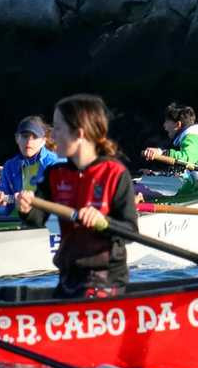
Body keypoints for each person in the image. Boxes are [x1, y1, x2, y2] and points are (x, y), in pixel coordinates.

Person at [16, 95, 141, 299]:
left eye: (58, 128)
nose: (52, 137)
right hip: (68, 275)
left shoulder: (115, 173)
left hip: (106, 277)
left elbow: (130, 231)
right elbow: (38, 218)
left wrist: (104, 222)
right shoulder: (55, 174)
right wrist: (26, 208)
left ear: (79, 133)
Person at [142, 103, 198, 194]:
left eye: (167, 121)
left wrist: (161, 153)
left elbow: (185, 160)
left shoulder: (192, 139)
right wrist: (154, 174)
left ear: (178, 124)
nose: (164, 126)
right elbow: (187, 176)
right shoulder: (192, 139)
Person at [0, 116, 66, 216]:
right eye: (25, 136)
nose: (29, 141)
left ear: (43, 141)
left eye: (35, 137)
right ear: (17, 138)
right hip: (26, 228)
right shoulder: (9, 166)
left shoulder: (58, 163)